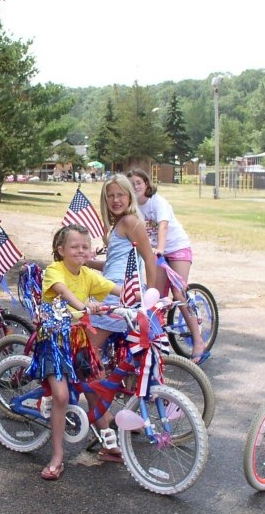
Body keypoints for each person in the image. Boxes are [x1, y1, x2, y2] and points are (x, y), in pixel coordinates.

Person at [38, 224, 123, 481]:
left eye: (85, 247)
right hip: (55, 341)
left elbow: (113, 289)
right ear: (60, 249)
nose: (80, 250)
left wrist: (141, 297)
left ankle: (107, 441)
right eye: (74, 246)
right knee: (61, 397)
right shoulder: (54, 271)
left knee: (96, 389)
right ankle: (57, 456)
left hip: (80, 340)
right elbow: (63, 292)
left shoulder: (88, 275)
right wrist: (84, 306)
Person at [127, 168, 208, 364]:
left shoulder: (158, 202)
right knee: (156, 296)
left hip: (176, 247)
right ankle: (157, 341)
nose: (135, 187)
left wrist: (160, 248)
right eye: (131, 184)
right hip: (156, 252)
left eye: (138, 182)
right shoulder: (132, 208)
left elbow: (162, 226)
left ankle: (198, 342)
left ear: (146, 184)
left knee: (178, 293)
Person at [86, 174, 157, 348]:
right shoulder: (119, 224)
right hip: (113, 287)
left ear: (130, 196)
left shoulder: (130, 221)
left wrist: (151, 296)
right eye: (111, 195)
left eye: (121, 195)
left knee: (89, 348)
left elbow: (149, 258)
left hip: (117, 293)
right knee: (115, 349)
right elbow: (114, 265)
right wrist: (87, 262)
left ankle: (97, 376)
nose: (116, 200)